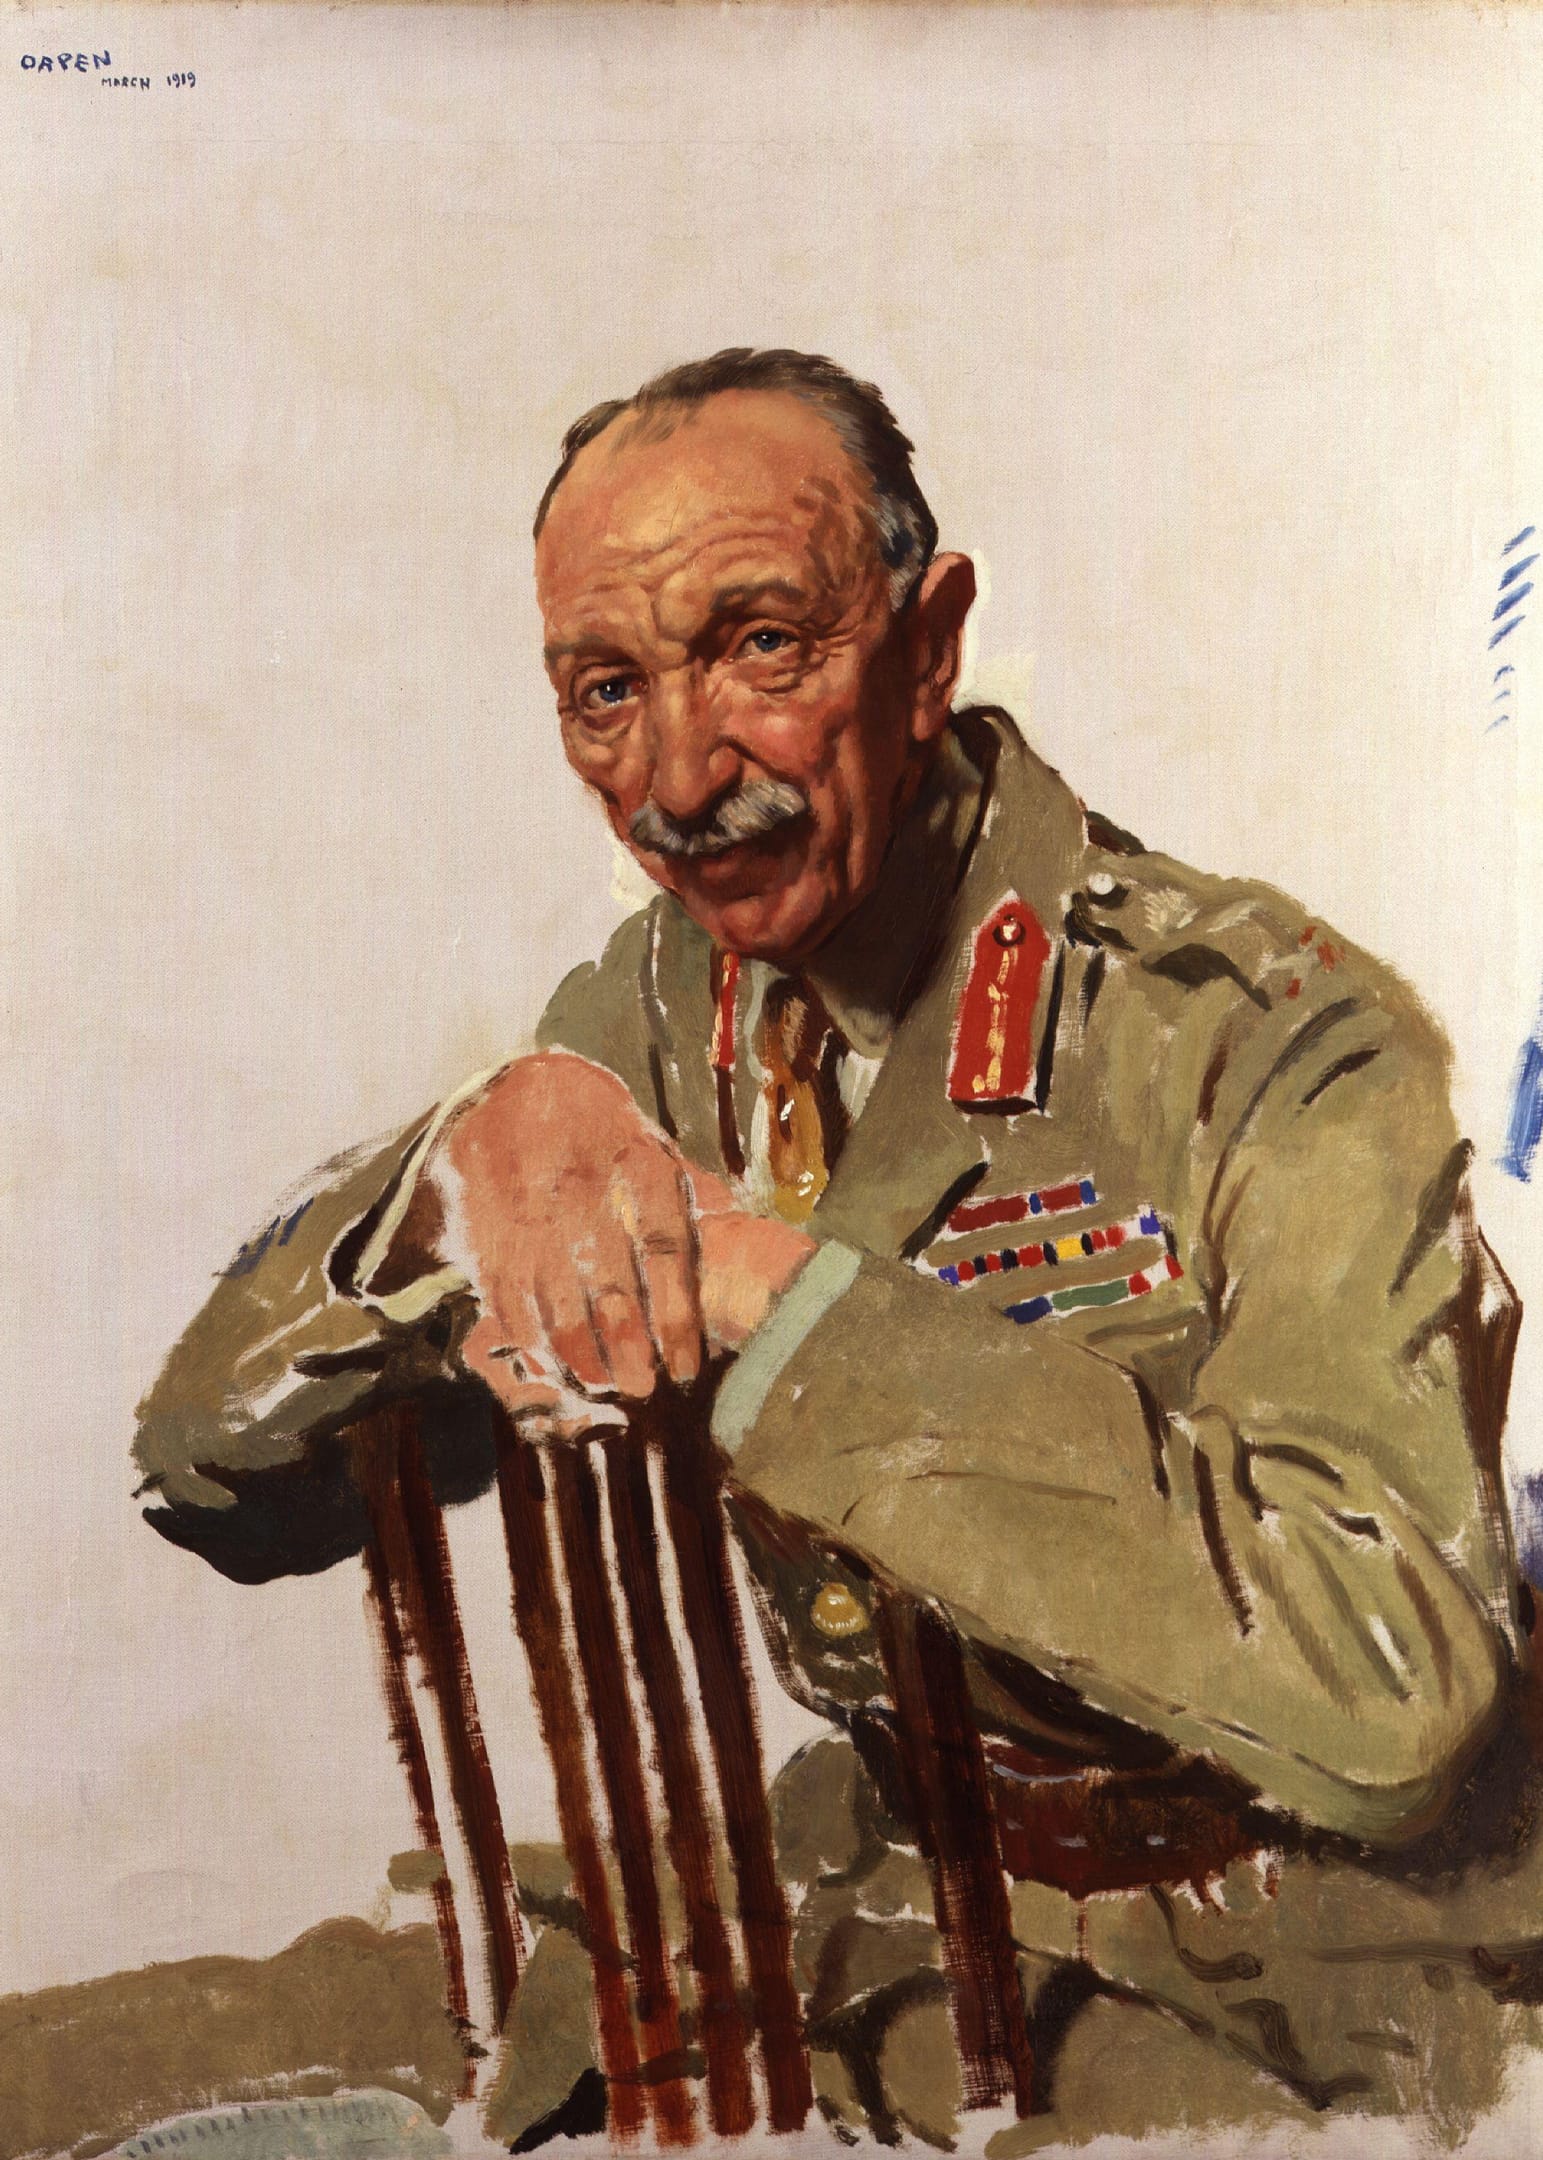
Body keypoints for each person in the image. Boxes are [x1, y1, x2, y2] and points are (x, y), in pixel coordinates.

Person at [135, 349, 1540, 2150]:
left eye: (761, 647)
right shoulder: (663, 1013)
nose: (678, 776)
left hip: (1293, 1980)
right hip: (870, 1893)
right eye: (604, 692)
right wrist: (445, 1176)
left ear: (929, 645)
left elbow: (1393, 1693)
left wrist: (780, 1300)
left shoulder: (1263, 1037)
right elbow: (208, 1467)